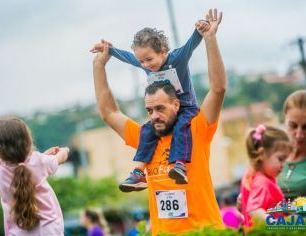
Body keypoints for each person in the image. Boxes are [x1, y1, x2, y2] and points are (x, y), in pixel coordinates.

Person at [92, 8, 225, 235]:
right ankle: (137, 174)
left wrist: (210, 39)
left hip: (204, 231)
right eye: (149, 110)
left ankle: (179, 165)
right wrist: (99, 65)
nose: (154, 116)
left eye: (160, 109)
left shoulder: (196, 128)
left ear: (175, 105)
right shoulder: (146, 135)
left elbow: (218, 88)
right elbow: (108, 113)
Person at [91, 18, 210, 191]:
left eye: (149, 59)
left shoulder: (178, 58)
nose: (146, 65)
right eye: (142, 62)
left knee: (181, 127)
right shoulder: (145, 63)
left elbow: (191, 44)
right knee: (147, 130)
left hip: (185, 108)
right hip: (163, 112)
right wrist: (109, 50)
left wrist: (201, 29)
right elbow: (128, 57)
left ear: (163, 51)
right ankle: (139, 173)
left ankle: (179, 165)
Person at [0, 116, 70, 235]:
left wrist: (43, 157)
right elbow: (61, 158)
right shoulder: (38, 161)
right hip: (49, 230)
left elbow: (25, 169)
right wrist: (65, 149)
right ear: (27, 141)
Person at [240, 124, 292, 230]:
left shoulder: (252, 175)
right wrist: (278, 225)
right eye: (280, 159)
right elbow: (254, 210)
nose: (283, 165)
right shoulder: (261, 182)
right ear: (262, 153)